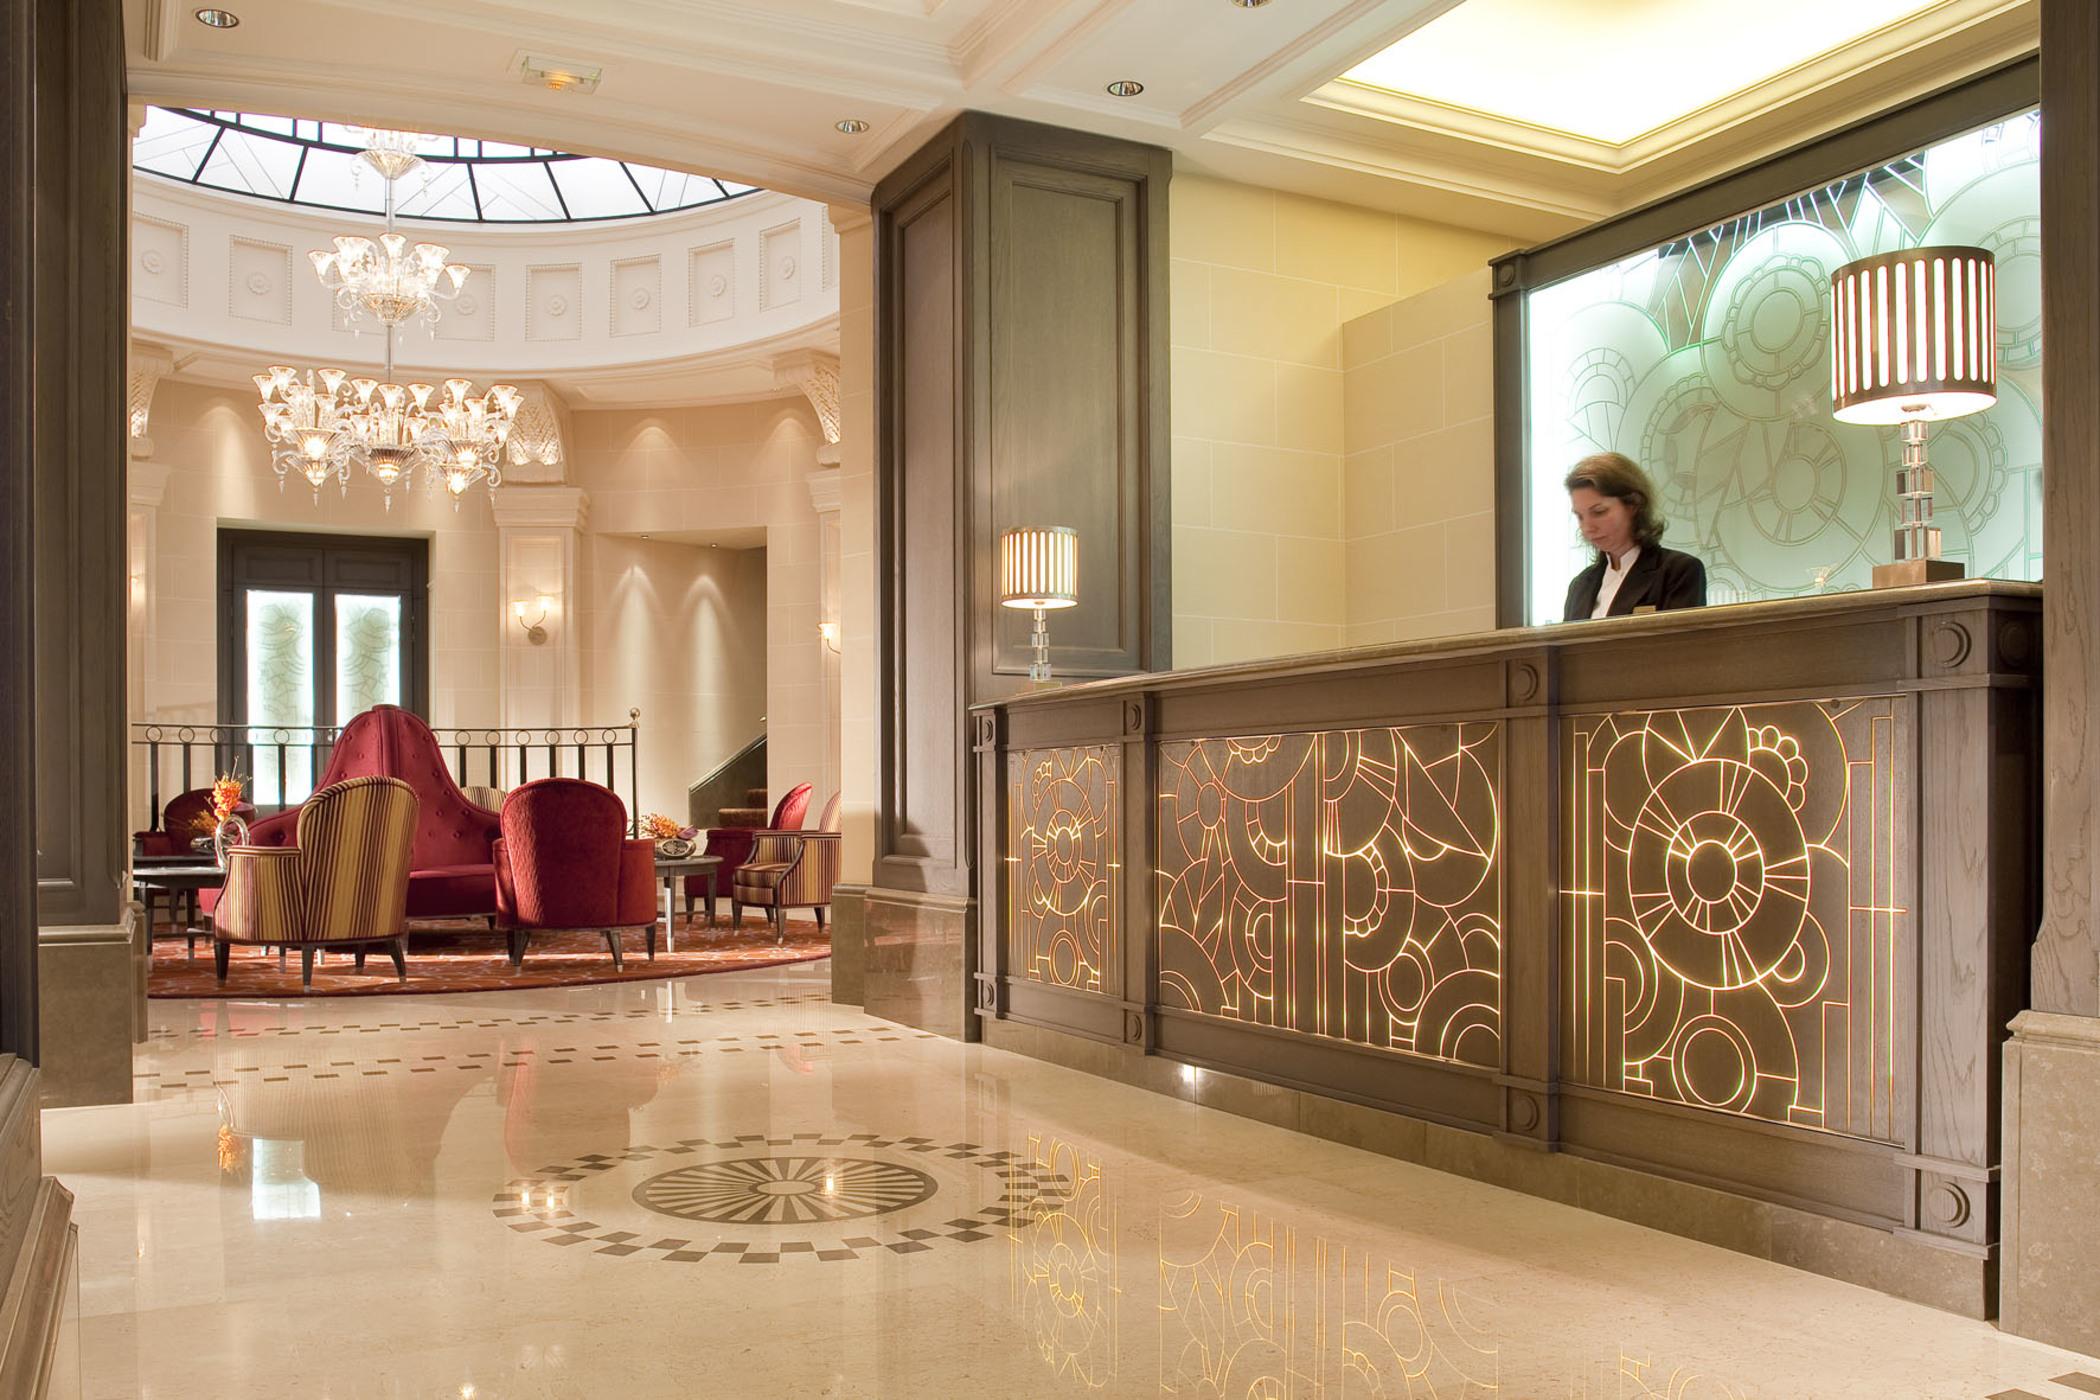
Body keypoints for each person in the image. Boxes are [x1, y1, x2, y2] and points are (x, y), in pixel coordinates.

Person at [1561, 452, 1706, 621]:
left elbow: (1678, 645)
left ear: (1633, 504)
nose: (1587, 527)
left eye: (1599, 512)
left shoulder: (1678, 571)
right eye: (1579, 516)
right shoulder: (1580, 586)